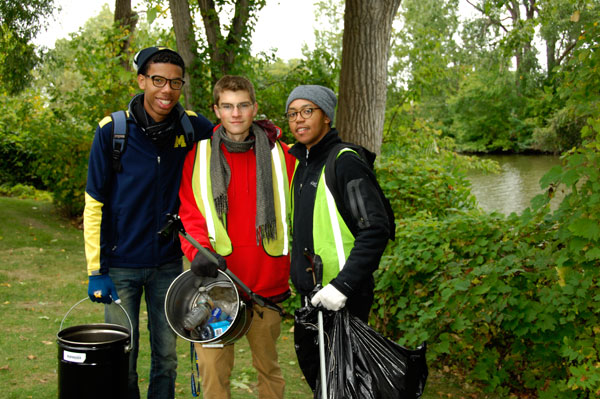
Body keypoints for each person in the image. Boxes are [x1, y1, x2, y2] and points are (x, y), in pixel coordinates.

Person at [83, 46, 213, 399]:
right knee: (121, 356)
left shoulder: (193, 127)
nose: (166, 90)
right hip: (119, 265)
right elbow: (94, 202)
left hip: (168, 265)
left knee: (167, 357)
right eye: (158, 80)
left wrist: (266, 134)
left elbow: (234, 134)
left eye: (175, 82)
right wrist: (96, 270)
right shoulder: (113, 131)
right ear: (142, 80)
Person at [178, 75, 296, 398]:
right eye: (227, 106)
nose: (236, 113)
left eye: (243, 105)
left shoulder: (282, 155)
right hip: (215, 287)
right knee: (214, 373)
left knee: (269, 370)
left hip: (266, 285)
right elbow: (190, 213)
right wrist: (197, 252)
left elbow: (300, 210)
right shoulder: (198, 156)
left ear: (254, 108)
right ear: (216, 110)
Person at [285, 84, 394, 323]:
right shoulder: (300, 166)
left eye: (307, 111)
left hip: (343, 296)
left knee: (346, 363)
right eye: (292, 114)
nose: (298, 120)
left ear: (326, 116)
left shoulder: (344, 162)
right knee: (312, 361)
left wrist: (342, 286)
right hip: (312, 298)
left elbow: (375, 229)